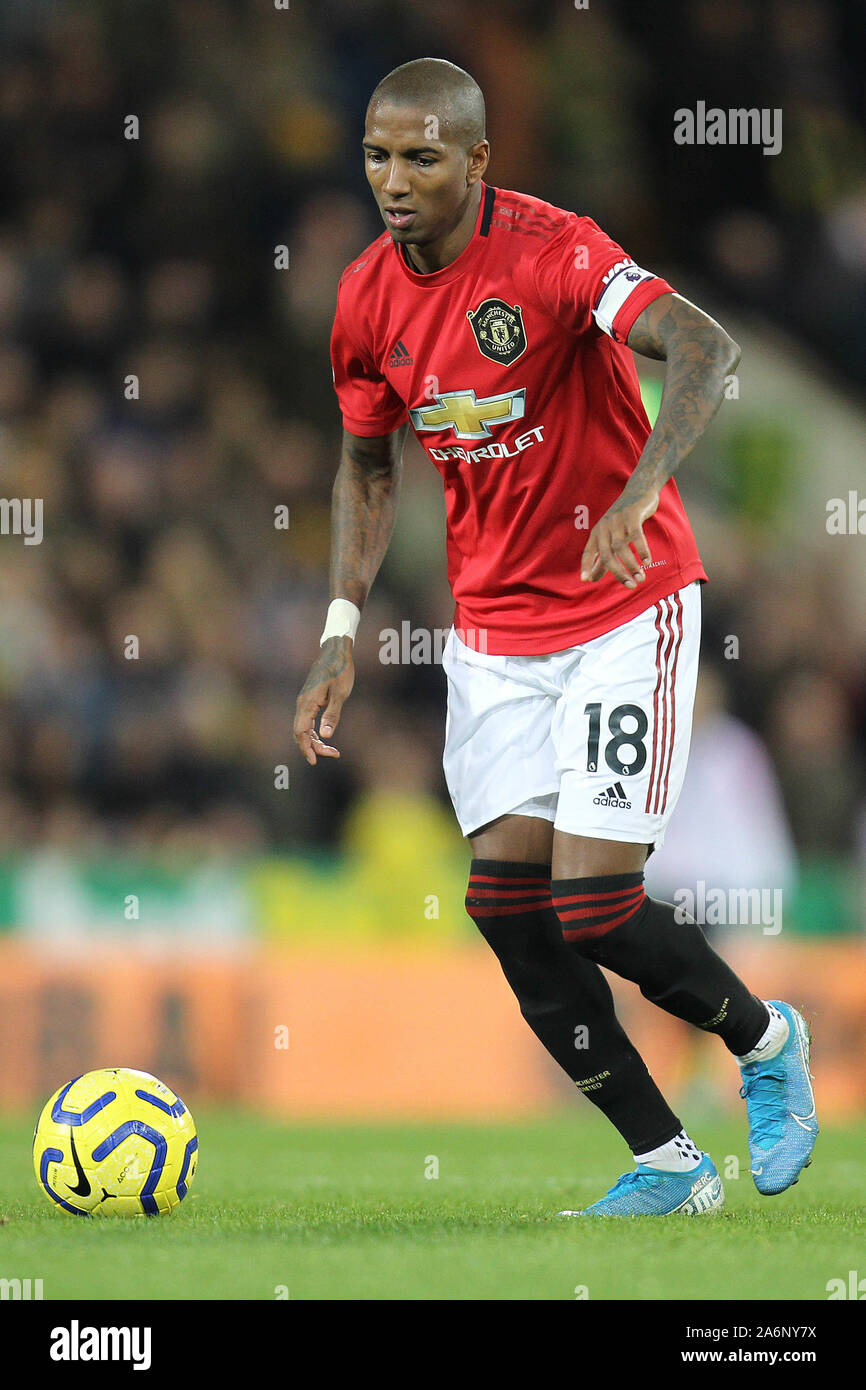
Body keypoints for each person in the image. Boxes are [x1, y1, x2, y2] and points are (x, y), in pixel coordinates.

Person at [293, 58, 817, 1216]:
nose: (393, 179)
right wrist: (340, 624)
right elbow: (365, 465)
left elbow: (703, 346)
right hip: (494, 635)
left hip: (622, 605)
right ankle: (666, 1163)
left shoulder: (555, 251)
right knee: (502, 907)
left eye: (421, 156)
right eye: (377, 155)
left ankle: (766, 1037)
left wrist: (639, 487)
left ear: (477, 162)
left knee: (594, 902)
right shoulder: (364, 299)